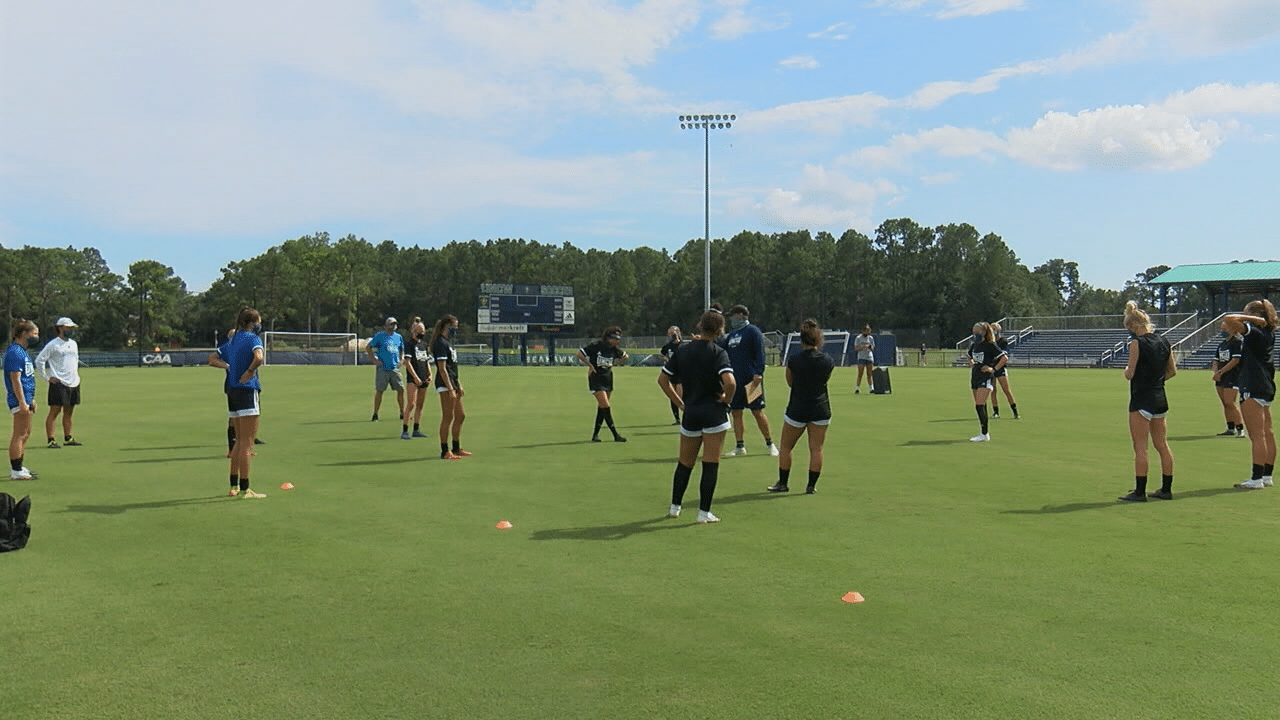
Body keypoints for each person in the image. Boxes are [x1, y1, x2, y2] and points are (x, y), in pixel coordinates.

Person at [658, 310, 737, 524]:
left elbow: (662, 380)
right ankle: (704, 513)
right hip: (713, 413)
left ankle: (675, 507)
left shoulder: (683, 351)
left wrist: (679, 403)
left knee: (685, 463)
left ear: (700, 325)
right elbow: (730, 382)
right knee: (710, 464)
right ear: (720, 330)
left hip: (691, 413)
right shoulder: (718, 352)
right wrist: (726, 400)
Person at [767, 319, 834, 494]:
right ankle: (811, 486)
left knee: (786, 447)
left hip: (797, 408)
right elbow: (825, 381)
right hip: (820, 408)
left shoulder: (794, 360)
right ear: (818, 340)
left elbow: (790, 382)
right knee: (816, 449)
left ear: (801, 340)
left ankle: (782, 483)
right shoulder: (827, 360)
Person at [1119, 301, 1176, 502]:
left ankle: (1139, 491)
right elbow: (1172, 371)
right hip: (1160, 397)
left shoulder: (1136, 343)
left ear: (1134, 326)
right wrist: (1156, 381)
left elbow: (1130, 372)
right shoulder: (1164, 341)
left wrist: (1126, 372)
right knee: (1162, 444)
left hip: (1141, 398)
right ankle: (1166, 489)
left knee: (1140, 446)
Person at [1223, 299, 1277, 490]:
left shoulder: (1255, 331)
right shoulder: (1268, 333)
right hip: (1265, 384)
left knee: (1257, 436)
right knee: (1267, 433)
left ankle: (1256, 478)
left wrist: (1251, 318)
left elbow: (1228, 319)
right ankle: (1267, 475)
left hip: (1253, 385)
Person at [721, 305, 775, 456]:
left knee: (757, 411)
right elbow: (721, 348)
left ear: (741, 315)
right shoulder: (732, 335)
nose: (731, 319)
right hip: (735, 380)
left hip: (751, 379)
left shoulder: (752, 331)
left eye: (733, 316)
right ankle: (740, 446)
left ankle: (770, 444)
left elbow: (760, 352)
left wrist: (758, 372)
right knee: (736, 412)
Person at [223, 307, 266, 498]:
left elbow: (215, 357)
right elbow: (259, 358)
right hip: (247, 390)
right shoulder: (252, 339)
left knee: (238, 441)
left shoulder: (232, 340)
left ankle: (233, 485)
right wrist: (249, 372)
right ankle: (246, 488)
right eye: (258, 322)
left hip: (232, 391)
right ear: (251, 323)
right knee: (247, 443)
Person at [34, 317, 82, 448]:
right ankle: (51, 439)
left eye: (72, 328)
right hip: (58, 382)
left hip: (73, 382)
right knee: (55, 411)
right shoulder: (53, 344)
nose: (71, 330)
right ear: (60, 328)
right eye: (68, 328)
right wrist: (46, 377)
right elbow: (39, 360)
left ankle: (68, 437)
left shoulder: (73, 343)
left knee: (69, 411)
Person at [577, 327, 629, 442]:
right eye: (616, 338)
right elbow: (580, 354)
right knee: (606, 406)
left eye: (619, 338)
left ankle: (595, 435)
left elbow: (625, 356)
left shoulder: (614, 349)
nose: (618, 340)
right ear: (609, 338)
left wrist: (615, 363)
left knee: (602, 408)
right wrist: (589, 365)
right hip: (596, 379)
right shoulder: (596, 346)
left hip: (607, 378)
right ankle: (615, 435)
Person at [432, 314, 470, 460]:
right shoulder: (440, 343)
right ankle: (445, 451)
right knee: (448, 417)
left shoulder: (448, 342)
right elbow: (442, 369)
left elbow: (452, 367)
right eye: (454, 326)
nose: (456, 329)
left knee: (460, 416)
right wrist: (450, 388)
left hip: (452, 382)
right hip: (444, 384)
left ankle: (456, 447)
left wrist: (458, 384)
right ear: (447, 326)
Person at [6, 320, 40, 481]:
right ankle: (16, 470)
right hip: (19, 399)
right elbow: (15, 380)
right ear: (24, 334)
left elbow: (28, 379)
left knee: (25, 433)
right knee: (19, 434)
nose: (36, 337)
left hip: (26, 398)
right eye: (34, 334)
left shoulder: (22, 352)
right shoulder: (14, 352)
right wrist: (21, 401)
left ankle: (20, 464)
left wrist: (31, 399)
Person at [967, 322, 1006, 442]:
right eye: (974, 332)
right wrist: (971, 362)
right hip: (975, 376)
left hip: (985, 377)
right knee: (980, 406)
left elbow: (1004, 358)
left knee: (979, 404)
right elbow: (969, 356)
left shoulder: (990, 345)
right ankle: (983, 432)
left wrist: (993, 369)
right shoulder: (975, 345)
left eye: (977, 332)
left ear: (984, 332)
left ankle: (984, 434)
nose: (975, 335)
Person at [367, 317, 405, 423]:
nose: (393, 326)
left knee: (401, 390)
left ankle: (402, 413)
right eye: (390, 324)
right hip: (383, 368)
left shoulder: (398, 337)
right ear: (385, 325)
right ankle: (375, 414)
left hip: (394, 368)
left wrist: (401, 360)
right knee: (380, 391)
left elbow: (402, 350)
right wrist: (375, 360)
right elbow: (368, 348)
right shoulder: (380, 336)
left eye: (394, 324)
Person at [1210, 329, 1245, 437]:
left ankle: (1240, 428)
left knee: (1230, 402)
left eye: (1225, 328)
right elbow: (1216, 360)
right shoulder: (1222, 344)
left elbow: (1235, 360)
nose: (1222, 330)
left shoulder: (1236, 343)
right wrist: (1216, 373)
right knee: (1225, 403)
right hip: (1221, 377)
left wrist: (1221, 372)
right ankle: (1230, 427)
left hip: (1232, 376)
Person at [402, 317, 432, 440]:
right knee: (411, 404)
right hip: (414, 379)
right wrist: (415, 377)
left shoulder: (423, 345)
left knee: (420, 405)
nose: (422, 333)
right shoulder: (409, 344)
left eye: (423, 331)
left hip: (424, 377)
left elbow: (426, 361)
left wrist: (430, 374)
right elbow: (407, 362)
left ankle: (416, 429)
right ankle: (404, 430)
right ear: (413, 331)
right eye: (420, 330)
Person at [988, 322, 1020, 419]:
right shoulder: (989, 342)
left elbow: (1002, 355)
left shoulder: (1003, 341)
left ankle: (1015, 412)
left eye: (995, 329)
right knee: (993, 391)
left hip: (1000, 367)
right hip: (991, 367)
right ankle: (996, 412)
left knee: (1006, 390)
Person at [660, 326, 683, 424]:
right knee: (672, 396)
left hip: (682, 373)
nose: (670, 335)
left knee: (681, 395)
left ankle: (687, 414)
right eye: (669, 334)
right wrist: (666, 360)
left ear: (677, 333)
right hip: (671, 373)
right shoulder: (668, 346)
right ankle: (677, 418)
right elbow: (661, 355)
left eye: (672, 333)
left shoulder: (684, 345)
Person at [853, 325, 875, 393]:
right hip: (861, 357)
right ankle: (857, 387)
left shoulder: (870, 338)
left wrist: (870, 347)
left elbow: (873, 348)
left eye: (869, 331)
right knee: (860, 373)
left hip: (869, 357)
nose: (868, 332)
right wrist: (863, 347)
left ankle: (871, 388)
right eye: (867, 331)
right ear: (863, 331)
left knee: (869, 373)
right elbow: (856, 348)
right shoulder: (858, 338)